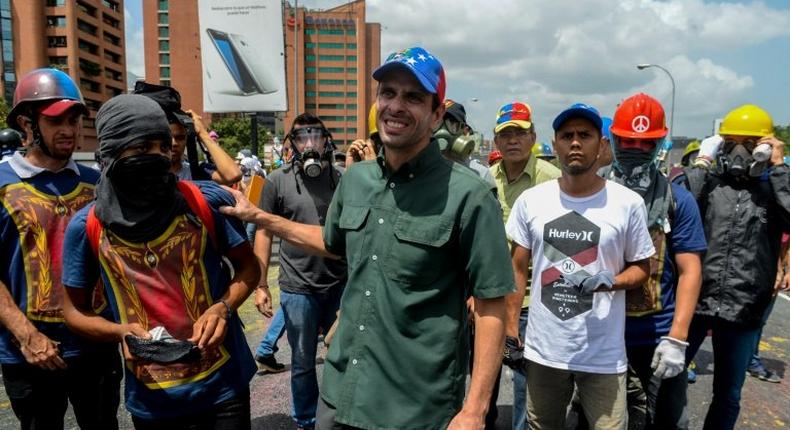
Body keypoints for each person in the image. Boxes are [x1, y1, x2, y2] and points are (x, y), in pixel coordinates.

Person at [221, 46, 514, 429]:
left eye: (413, 97)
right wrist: (260, 217)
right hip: (342, 392)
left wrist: (474, 411)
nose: (396, 106)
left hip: (415, 406)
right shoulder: (356, 180)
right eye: (388, 93)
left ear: (437, 114)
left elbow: (493, 304)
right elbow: (331, 241)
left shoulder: (469, 196)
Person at [60, 94, 260, 428]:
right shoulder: (88, 226)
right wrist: (120, 332)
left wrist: (222, 308)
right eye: (141, 149)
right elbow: (73, 311)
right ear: (110, 154)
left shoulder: (203, 202)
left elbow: (249, 268)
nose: (156, 157)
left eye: (161, 147)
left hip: (224, 389)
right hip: (153, 399)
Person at [506, 102, 654, 429]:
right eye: (567, 135)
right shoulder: (532, 201)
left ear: (601, 145)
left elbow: (643, 268)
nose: (575, 142)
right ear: (555, 143)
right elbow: (517, 268)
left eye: (585, 135)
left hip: (603, 354)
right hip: (545, 350)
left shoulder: (627, 204)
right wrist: (511, 326)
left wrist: (612, 281)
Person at [0, 68, 121, 430]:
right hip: (29, 352)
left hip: (94, 346)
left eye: (73, 119)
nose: (68, 130)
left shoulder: (96, 184)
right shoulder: (3, 184)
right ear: (27, 123)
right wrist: (28, 336)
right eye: (56, 121)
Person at [678, 104, 790, 430]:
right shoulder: (710, 185)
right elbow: (681, 205)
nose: (740, 152)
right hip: (697, 301)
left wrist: (780, 167)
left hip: (744, 308)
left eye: (751, 144)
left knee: (728, 393)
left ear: (767, 147)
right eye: (732, 142)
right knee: (670, 380)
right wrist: (702, 162)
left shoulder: (772, 190)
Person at [607, 93, 706, 429]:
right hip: (603, 333)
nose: (634, 150)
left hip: (657, 333)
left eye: (644, 143)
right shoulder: (593, 194)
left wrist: (677, 336)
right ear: (613, 139)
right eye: (626, 141)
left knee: (670, 421)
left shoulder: (677, 200)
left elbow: (690, 269)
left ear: (659, 143)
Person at [252, 112, 346, 429]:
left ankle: (340, 417)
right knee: (303, 362)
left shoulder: (342, 179)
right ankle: (306, 420)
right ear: (292, 143)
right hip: (297, 288)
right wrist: (261, 283)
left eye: (315, 136)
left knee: (344, 357)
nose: (309, 143)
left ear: (325, 141)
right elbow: (263, 231)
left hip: (339, 284)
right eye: (302, 137)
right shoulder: (277, 181)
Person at [492, 101, 561, 430]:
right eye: (506, 134)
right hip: (489, 296)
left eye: (520, 132)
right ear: (496, 142)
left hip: (534, 300)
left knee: (526, 382)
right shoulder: (486, 181)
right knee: (485, 374)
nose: (513, 140)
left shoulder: (554, 180)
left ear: (533, 136)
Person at [133, 81, 241, 185]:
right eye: (169, 138)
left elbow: (233, 175)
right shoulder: (140, 173)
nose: (174, 143)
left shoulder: (196, 172)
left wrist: (202, 133)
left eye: (180, 137)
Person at [435, 99, 495, 186]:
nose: (442, 131)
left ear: (464, 130)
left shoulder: (481, 175)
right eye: (438, 123)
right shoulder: (419, 169)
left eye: (452, 125)